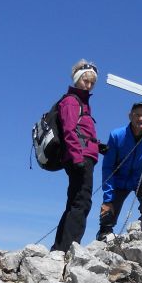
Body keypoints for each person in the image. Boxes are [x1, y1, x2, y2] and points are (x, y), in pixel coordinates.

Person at [51, 59, 100, 252]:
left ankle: (60, 247)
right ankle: (68, 248)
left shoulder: (81, 103)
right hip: (79, 159)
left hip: (82, 156)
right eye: (85, 81)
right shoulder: (72, 101)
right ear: (77, 79)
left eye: (92, 83)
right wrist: (78, 158)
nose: (88, 85)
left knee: (75, 202)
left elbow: (80, 132)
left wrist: (97, 146)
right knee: (81, 202)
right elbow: (69, 131)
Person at [96, 102, 142, 240]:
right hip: (119, 180)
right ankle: (104, 235)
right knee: (108, 212)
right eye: (137, 115)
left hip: (141, 179)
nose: (140, 119)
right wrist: (108, 198)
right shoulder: (116, 135)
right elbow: (108, 167)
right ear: (130, 116)